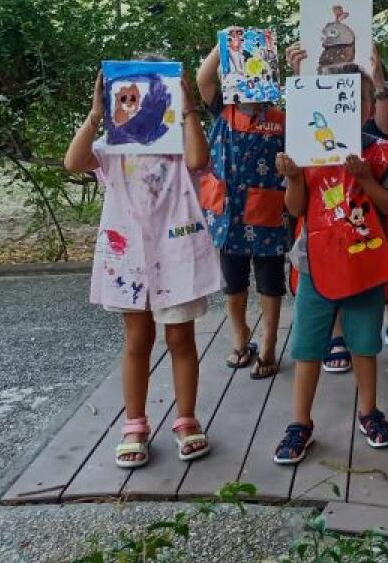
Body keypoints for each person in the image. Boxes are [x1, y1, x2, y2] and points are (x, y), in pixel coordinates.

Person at [65, 64, 220, 469]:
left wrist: (188, 112)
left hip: (176, 253)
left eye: (143, 97)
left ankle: (186, 419)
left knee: (180, 339)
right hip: (129, 258)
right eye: (125, 98)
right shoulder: (112, 148)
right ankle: (135, 423)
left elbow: (200, 158)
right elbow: (73, 162)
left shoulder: (176, 144)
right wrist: (96, 114)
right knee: (137, 340)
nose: (133, 105)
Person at [284, 43, 388, 373]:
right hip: (324, 195)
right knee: (328, 258)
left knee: (374, 253)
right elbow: (296, 204)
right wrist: (300, 77)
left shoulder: (371, 95)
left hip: (369, 177)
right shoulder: (311, 130)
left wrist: (379, 75)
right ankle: (335, 337)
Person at [273, 74, 388, 463]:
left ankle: (369, 411)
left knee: (364, 344)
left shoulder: (380, 153)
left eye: (353, 102)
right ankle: (300, 422)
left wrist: (364, 177)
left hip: (365, 263)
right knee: (308, 349)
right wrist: (294, 177)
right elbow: (295, 209)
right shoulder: (303, 152)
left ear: (365, 107)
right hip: (315, 267)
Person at [197, 44, 289, 380]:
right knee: (233, 283)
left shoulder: (281, 119)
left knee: (270, 281)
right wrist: (227, 44)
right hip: (227, 214)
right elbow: (203, 78)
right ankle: (240, 335)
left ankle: (269, 341)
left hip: (267, 212)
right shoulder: (223, 109)